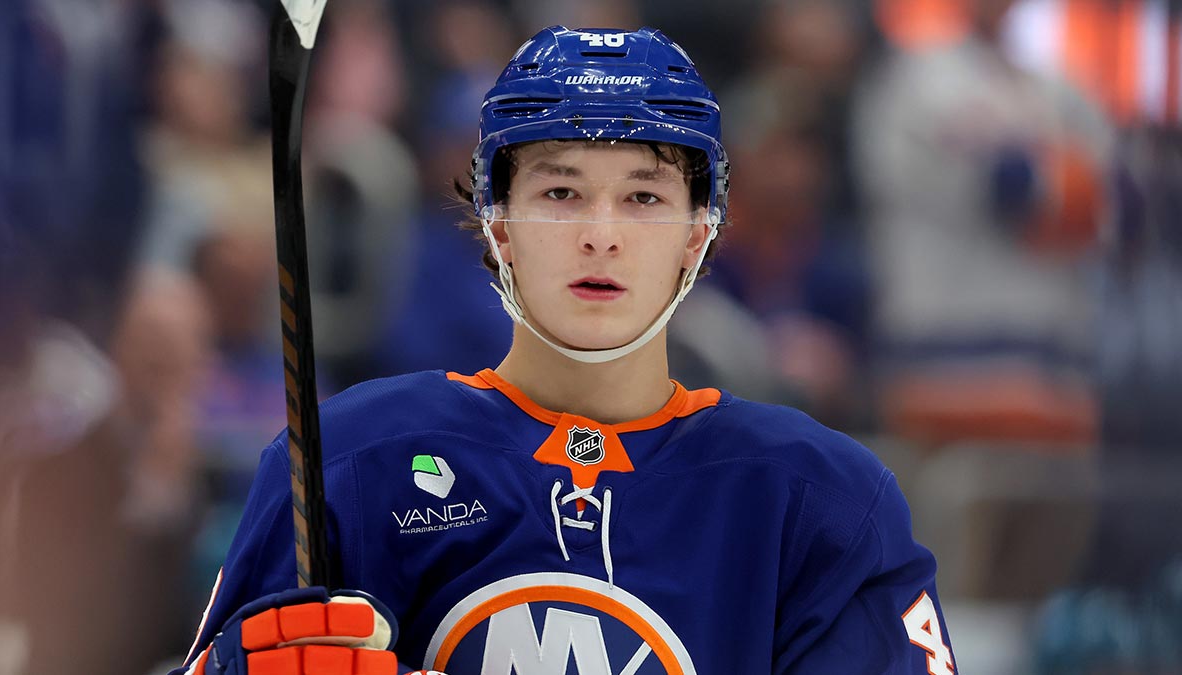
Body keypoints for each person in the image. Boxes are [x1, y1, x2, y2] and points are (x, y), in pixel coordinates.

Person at [173, 26, 955, 675]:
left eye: (644, 196)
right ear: (497, 221)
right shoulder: (347, 459)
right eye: (560, 192)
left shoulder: (821, 500)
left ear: (699, 231)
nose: (600, 234)